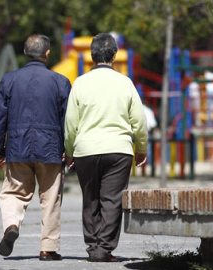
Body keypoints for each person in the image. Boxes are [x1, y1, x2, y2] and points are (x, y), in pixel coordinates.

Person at [64, 33, 148, 262]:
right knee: (112, 200)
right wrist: (141, 147)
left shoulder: (80, 83)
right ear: (114, 55)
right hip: (118, 150)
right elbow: (139, 121)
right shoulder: (125, 82)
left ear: (91, 57)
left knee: (90, 199)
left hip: (86, 150)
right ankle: (104, 249)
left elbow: (71, 123)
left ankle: (93, 247)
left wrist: (69, 151)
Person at [0, 34, 71, 261]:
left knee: (13, 192)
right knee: (51, 198)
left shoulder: (9, 80)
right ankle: (48, 248)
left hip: (17, 146)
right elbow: (68, 119)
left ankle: (11, 225)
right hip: (51, 148)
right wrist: (68, 148)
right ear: (47, 54)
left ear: (25, 53)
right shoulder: (60, 81)